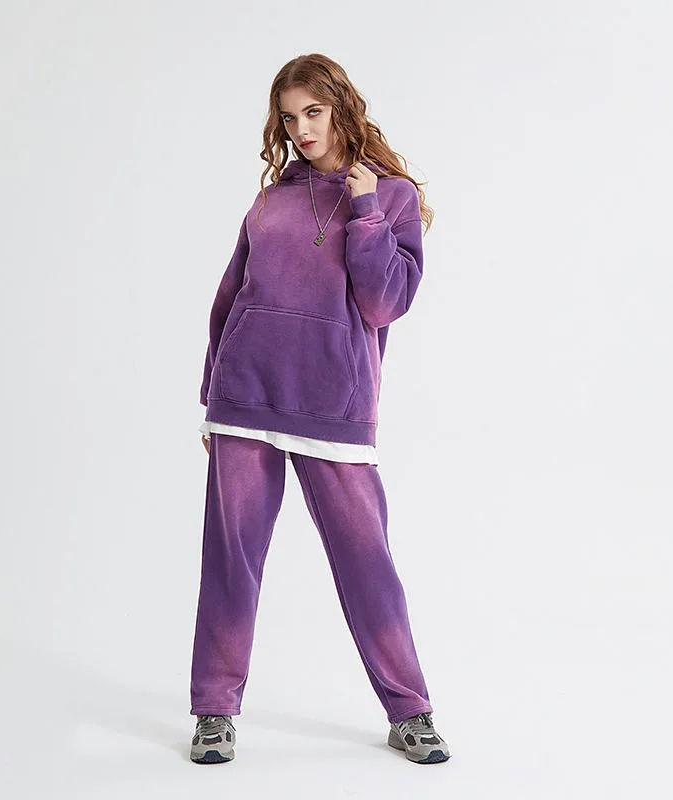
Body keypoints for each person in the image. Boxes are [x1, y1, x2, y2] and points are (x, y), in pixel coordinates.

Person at [189, 53, 450, 765]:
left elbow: (385, 302)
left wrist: (365, 211)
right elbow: (228, 299)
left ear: (340, 107)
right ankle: (213, 710)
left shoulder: (390, 197)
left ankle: (410, 709)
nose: (301, 129)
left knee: (367, 561)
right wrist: (211, 396)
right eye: (288, 117)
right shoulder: (270, 202)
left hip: (334, 405)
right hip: (245, 397)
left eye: (313, 112)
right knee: (232, 558)